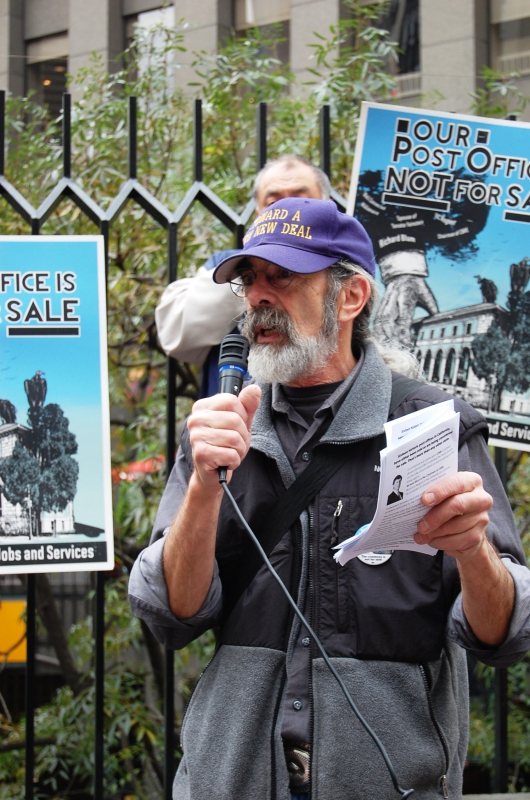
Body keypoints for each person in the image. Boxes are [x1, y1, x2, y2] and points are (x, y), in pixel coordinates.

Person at [129, 197, 530, 800]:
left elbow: (506, 634)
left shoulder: (432, 426)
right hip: (232, 781)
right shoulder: (220, 431)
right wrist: (206, 486)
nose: (258, 297)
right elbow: (172, 614)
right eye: (249, 280)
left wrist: (473, 552)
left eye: (282, 276)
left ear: (351, 297)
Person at [154, 155, 330, 396]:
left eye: (302, 201)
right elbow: (174, 333)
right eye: (274, 203)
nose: (287, 211)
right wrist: (252, 271)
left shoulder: (344, 272)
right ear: (258, 213)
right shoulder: (226, 265)